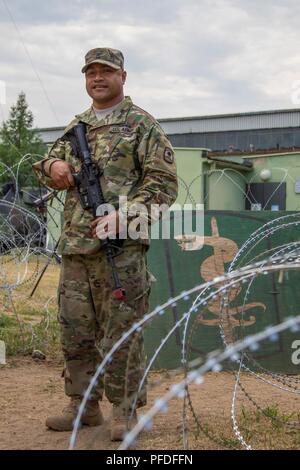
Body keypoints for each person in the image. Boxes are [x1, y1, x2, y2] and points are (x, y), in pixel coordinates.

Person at [32, 47, 178, 441]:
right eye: (91, 72)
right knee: (75, 333)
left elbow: (163, 185)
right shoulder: (76, 125)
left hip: (122, 250)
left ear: (123, 77)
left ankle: (126, 412)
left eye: (106, 72)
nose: (98, 78)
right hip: (77, 248)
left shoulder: (141, 125)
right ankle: (83, 406)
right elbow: (45, 164)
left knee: (122, 334)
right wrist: (53, 167)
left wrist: (123, 216)